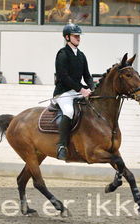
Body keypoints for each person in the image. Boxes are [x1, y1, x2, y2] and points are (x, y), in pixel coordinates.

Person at [53, 23, 95, 160]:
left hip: (76, 91)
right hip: (63, 92)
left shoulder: (81, 55)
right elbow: (63, 77)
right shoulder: (62, 54)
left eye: (79, 36)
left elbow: (87, 75)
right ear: (67, 37)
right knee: (69, 111)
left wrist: (92, 88)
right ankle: (61, 145)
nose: (78, 38)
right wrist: (81, 89)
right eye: (75, 36)